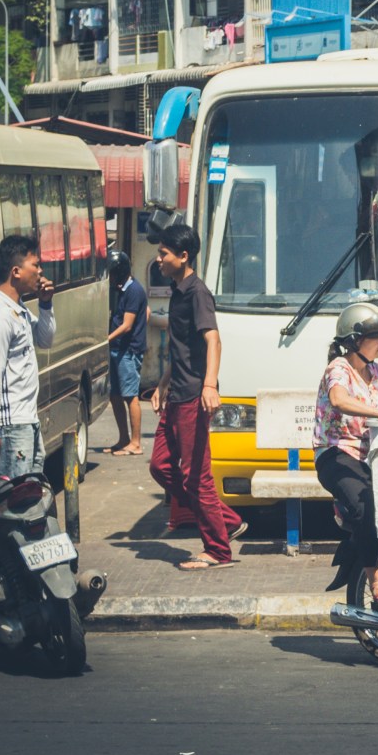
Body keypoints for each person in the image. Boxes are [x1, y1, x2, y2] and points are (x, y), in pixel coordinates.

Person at [148, 224, 246, 570]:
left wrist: (209, 385)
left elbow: (212, 340)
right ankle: (227, 520)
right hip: (176, 393)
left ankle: (217, 550)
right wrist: (162, 384)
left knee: (196, 477)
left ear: (183, 256)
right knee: (160, 466)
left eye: (164, 253)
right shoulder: (177, 291)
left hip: (193, 396)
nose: (158, 259)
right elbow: (182, 350)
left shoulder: (197, 293)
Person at [314, 302, 378, 615]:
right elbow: (338, 399)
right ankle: (377, 584)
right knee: (366, 506)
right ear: (355, 340)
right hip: (335, 454)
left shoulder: (377, 372)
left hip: (369, 458)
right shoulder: (338, 369)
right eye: (377, 337)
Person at [0, 234, 56, 479]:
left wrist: (45, 304)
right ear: (16, 272)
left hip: (27, 420)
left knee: (31, 490)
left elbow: (45, 339)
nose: (40, 272)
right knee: (14, 495)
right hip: (9, 427)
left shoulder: (18, 310)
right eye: (35, 265)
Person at [106, 251, 148, 456]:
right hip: (117, 349)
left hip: (128, 351)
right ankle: (124, 438)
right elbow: (147, 312)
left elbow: (127, 325)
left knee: (131, 396)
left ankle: (136, 442)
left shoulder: (134, 291)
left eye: (112, 274)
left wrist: (105, 339)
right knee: (115, 396)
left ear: (120, 272)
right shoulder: (122, 289)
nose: (110, 278)